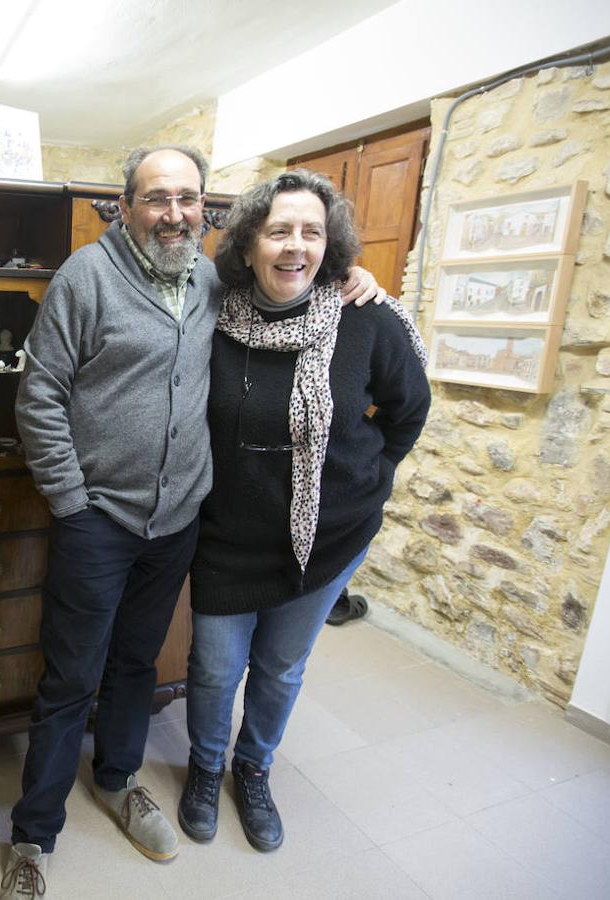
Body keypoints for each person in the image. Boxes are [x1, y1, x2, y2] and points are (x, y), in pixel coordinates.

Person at [0, 147, 384, 899]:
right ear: (125, 204)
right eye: (157, 197)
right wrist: (71, 500)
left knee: (138, 665)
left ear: (206, 208)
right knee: (71, 677)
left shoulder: (213, 279)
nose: (175, 213)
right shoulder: (87, 277)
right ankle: (33, 834)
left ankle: (117, 779)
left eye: (189, 199)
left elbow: (294, 287)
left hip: (176, 521)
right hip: (98, 519)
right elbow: (38, 396)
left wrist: (351, 277)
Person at [176, 169, 431, 853]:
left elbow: (410, 411)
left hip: (326, 538)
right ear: (252, 241)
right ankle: (204, 767)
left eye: (312, 232)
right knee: (213, 668)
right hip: (227, 534)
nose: (296, 246)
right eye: (280, 230)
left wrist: (368, 478)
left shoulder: (365, 318)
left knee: (282, 668)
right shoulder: (213, 314)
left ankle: (252, 770)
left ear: (330, 244)